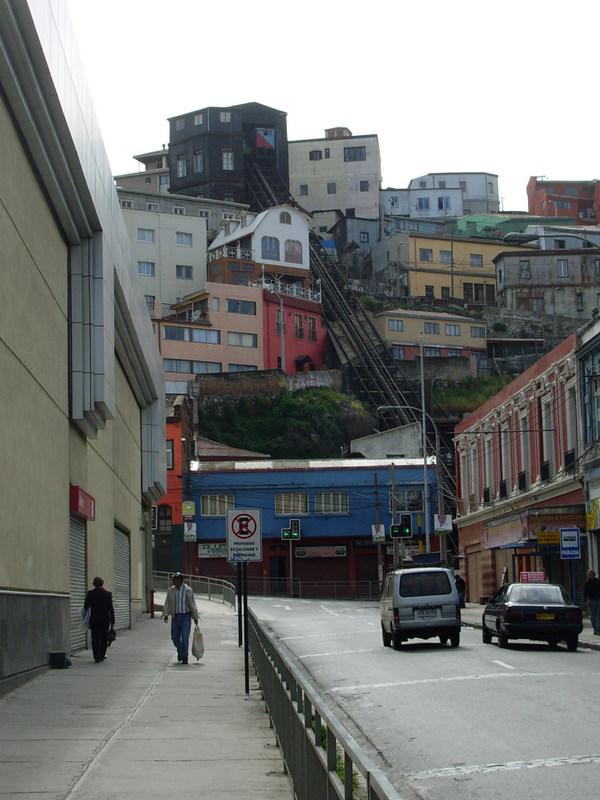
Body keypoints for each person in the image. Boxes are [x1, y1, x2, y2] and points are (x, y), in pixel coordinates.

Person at [162, 572, 199, 664]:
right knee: (174, 638)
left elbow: (192, 604)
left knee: (185, 638)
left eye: (176, 579)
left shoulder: (188, 590)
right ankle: (180, 651)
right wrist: (166, 614)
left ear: (181, 580)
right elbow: (167, 602)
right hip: (176, 617)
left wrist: (195, 617)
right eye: (173, 580)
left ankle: (185, 656)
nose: (174, 581)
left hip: (186, 617)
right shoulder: (171, 590)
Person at [84, 577, 115, 663]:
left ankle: (96, 657)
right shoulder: (108, 594)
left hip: (94, 619)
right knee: (104, 637)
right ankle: (101, 655)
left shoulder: (90, 594)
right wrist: (112, 621)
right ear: (102, 583)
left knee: (95, 638)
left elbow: (86, 606)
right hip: (105, 619)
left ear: (94, 584)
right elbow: (110, 608)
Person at [583, 568, 600, 635]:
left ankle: (598, 629)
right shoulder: (586, 583)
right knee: (592, 616)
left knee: (598, 615)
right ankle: (595, 628)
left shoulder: (598, 581)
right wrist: (585, 601)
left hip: (598, 600)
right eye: (588, 575)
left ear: (593, 575)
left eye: (591, 574)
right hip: (591, 601)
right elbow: (585, 593)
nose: (589, 576)